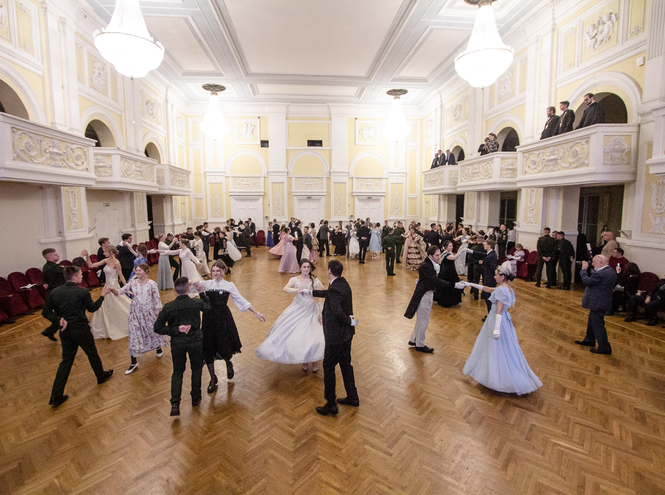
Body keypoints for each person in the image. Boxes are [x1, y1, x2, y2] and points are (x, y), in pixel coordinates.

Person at [461, 262, 542, 395]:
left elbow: (499, 310)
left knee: (496, 348)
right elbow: (487, 289)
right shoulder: (506, 288)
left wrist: (496, 329)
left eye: (496, 275)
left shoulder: (503, 290)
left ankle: (498, 378)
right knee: (501, 348)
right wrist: (470, 284)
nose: (494, 277)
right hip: (502, 321)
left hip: (497, 321)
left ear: (503, 276)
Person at [43, 266, 114, 407]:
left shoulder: (55, 292)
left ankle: (56, 395)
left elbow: (46, 312)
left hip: (66, 331)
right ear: (74, 277)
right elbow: (92, 308)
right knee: (92, 353)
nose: (82, 276)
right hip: (81, 329)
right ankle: (101, 376)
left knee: (66, 361)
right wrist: (103, 295)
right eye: (80, 274)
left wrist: (58, 320)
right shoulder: (82, 292)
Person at [201, 261, 265, 391]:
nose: (215, 274)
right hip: (208, 319)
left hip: (223, 318)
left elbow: (240, 299)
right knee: (208, 346)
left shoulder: (228, 285)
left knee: (223, 344)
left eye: (218, 271)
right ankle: (213, 377)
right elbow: (188, 287)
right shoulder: (207, 284)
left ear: (223, 271)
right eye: (213, 271)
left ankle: (227, 362)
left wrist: (256, 312)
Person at [154, 277, 210, 416]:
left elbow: (157, 327)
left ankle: (175, 402)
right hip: (195, 341)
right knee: (196, 369)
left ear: (175, 290)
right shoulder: (195, 303)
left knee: (177, 371)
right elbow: (208, 307)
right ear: (188, 289)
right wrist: (201, 291)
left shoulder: (169, 307)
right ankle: (195, 397)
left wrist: (176, 329)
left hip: (177, 343)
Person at [255, 259, 325, 371]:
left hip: (310, 309)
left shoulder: (314, 280)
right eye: (304, 267)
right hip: (297, 308)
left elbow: (320, 297)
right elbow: (285, 288)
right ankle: (305, 360)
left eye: (308, 267)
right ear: (300, 268)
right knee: (301, 336)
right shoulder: (294, 279)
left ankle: (314, 361)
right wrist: (295, 290)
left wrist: (320, 312)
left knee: (312, 336)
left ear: (310, 268)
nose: (306, 269)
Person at [311, 260, 358, 416]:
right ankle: (353, 397)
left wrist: (349, 321)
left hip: (336, 337)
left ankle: (331, 403)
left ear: (329, 271)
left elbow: (338, 312)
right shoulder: (342, 283)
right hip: (346, 336)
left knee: (329, 367)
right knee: (346, 365)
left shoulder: (335, 288)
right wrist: (311, 292)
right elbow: (329, 294)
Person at [118, 264, 169, 374]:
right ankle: (133, 362)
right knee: (134, 335)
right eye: (136, 270)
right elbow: (120, 291)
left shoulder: (152, 284)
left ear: (146, 271)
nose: (137, 272)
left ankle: (158, 346)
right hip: (135, 313)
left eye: (140, 270)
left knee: (152, 330)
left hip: (149, 312)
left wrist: (160, 313)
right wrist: (111, 290)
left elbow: (157, 299)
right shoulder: (133, 282)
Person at [404, 247, 454, 353]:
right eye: (437, 255)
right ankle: (420, 344)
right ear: (430, 256)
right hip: (424, 295)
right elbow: (434, 280)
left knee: (421, 319)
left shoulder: (430, 264)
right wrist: (452, 285)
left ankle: (414, 340)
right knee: (424, 321)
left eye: (439, 254)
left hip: (427, 293)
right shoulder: (426, 266)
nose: (439, 257)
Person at [84, 246, 131, 340]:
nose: (104, 253)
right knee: (105, 306)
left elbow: (121, 276)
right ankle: (107, 324)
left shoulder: (117, 262)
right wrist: (87, 256)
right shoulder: (105, 260)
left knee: (118, 304)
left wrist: (126, 288)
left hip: (113, 286)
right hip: (106, 286)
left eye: (105, 252)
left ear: (110, 252)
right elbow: (91, 265)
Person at [575, 255, 617, 355]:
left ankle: (604, 347)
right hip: (602, 301)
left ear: (600, 261)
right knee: (592, 321)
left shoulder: (601, 273)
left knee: (598, 325)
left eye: (594, 262)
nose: (592, 264)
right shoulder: (611, 271)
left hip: (597, 302)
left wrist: (584, 270)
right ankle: (589, 339)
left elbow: (587, 281)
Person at [40, 248, 83, 341]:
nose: (58, 256)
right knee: (61, 314)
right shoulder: (54, 267)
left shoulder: (46, 266)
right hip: (58, 294)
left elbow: (46, 277)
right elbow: (73, 270)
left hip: (53, 293)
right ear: (49, 257)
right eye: (55, 254)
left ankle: (49, 331)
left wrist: (45, 282)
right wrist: (81, 257)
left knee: (60, 313)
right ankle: (65, 332)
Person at [435, 241, 464, 308]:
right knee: (447, 286)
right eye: (450, 246)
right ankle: (446, 301)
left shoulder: (450, 253)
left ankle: (452, 300)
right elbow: (454, 258)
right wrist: (462, 251)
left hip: (451, 272)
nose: (451, 247)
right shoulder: (445, 254)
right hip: (446, 273)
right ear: (445, 247)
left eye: (452, 246)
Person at [479, 240, 498, 315]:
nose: (484, 245)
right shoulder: (490, 254)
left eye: (485, 244)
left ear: (489, 246)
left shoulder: (491, 256)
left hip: (490, 279)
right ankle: (490, 315)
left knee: (489, 298)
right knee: (488, 298)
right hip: (488, 278)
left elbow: (493, 268)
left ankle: (491, 316)